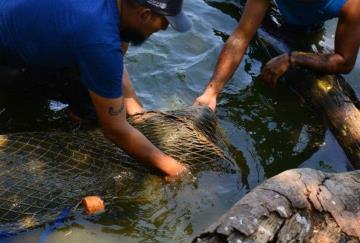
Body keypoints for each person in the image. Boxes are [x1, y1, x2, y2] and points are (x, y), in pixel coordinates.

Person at [0, 0, 192, 178]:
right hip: (6, 60)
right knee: (93, 102)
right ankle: (76, 126)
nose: (164, 28)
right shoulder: (99, 39)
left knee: (96, 81)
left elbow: (115, 55)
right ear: (145, 15)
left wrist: (131, 99)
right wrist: (175, 169)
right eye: (164, 22)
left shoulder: (116, 10)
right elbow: (115, 129)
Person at [194, 0, 360, 110]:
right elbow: (242, 35)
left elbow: (345, 61)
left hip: (307, 22)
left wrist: (293, 58)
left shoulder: (352, 3)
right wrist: (212, 91)